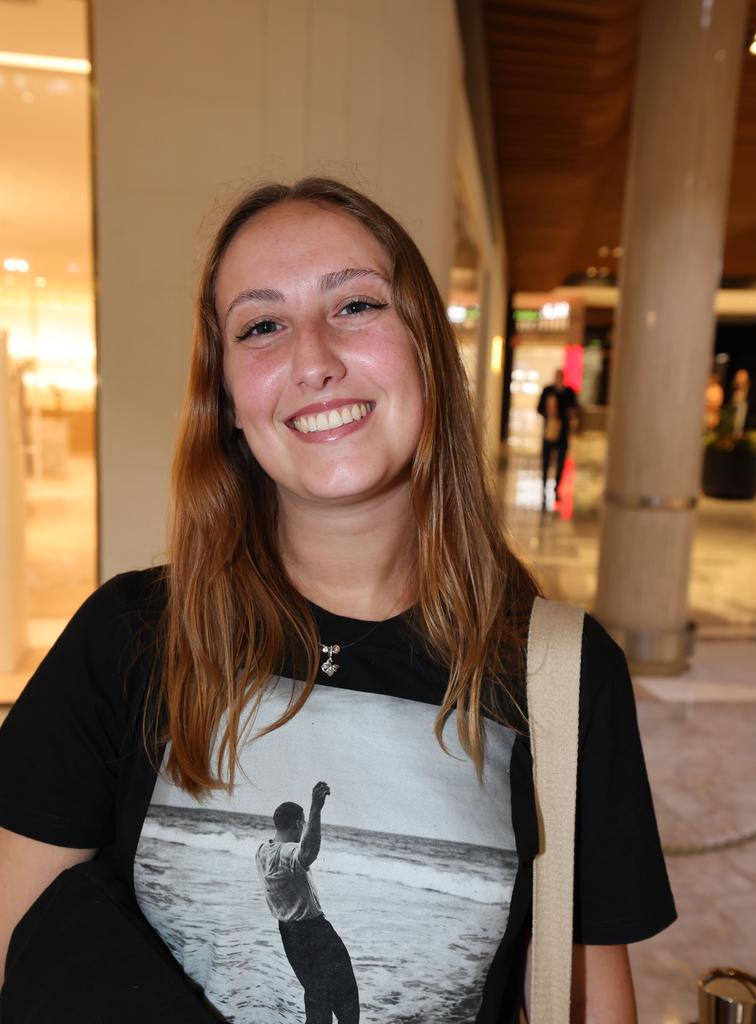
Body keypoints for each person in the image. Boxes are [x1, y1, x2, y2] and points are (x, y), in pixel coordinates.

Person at [0, 178, 675, 1023]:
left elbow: (584, 996)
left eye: (355, 305)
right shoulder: (126, 639)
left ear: (428, 349)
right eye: (261, 325)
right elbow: (21, 949)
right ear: (230, 404)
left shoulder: (559, 673)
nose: (312, 358)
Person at [256, 783, 359, 1024]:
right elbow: (307, 852)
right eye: (301, 824)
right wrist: (316, 808)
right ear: (296, 824)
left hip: (289, 936)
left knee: (317, 1001)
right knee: (347, 1003)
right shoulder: (288, 853)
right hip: (314, 933)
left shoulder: (262, 852)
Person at [537, 368, 579, 504]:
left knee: (561, 462)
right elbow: (539, 408)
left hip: (563, 433)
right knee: (546, 461)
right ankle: (543, 488)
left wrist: (570, 413)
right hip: (549, 431)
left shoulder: (569, 392)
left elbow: (575, 409)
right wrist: (549, 412)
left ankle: (556, 488)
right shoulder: (548, 390)